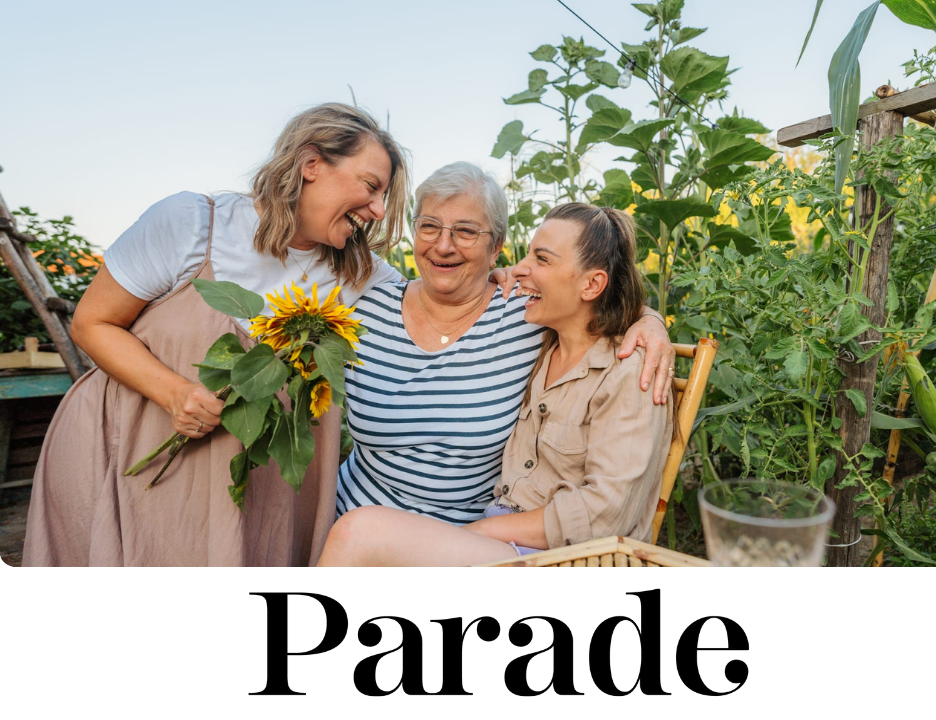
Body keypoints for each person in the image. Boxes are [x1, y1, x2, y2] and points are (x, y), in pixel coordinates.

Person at [23, 103, 410, 566]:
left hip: (256, 493)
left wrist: (504, 279)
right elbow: (92, 323)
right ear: (311, 165)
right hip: (128, 455)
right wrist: (173, 393)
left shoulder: (361, 273)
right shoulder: (192, 224)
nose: (379, 209)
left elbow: (444, 298)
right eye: (370, 186)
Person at [318, 202, 674, 565]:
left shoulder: (632, 370)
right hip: (502, 541)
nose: (519, 269)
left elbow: (606, 515)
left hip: (566, 559)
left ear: (592, 284)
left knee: (358, 532)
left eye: (542, 259)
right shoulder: (540, 340)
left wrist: (477, 532)